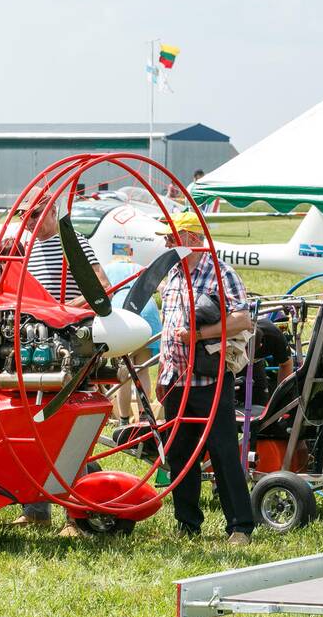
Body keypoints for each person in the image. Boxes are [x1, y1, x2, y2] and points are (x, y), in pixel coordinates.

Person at [157, 211, 255, 546]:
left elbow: (243, 319)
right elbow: (167, 331)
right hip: (176, 380)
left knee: (223, 450)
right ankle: (187, 524)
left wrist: (201, 334)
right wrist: (163, 376)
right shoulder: (171, 275)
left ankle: (240, 526)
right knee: (180, 455)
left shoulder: (219, 273)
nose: (167, 243)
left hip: (209, 380)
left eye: (172, 237)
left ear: (192, 240)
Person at [14, 192, 110, 532]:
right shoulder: (27, 248)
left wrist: (63, 310)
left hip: (69, 345)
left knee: (71, 429)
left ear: (53, 211)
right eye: (26, 215)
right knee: (34, 425)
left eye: (37, 213)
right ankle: (36, 508)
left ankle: (76, 513)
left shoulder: (74, 242)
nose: (31, 221)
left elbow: (101, 285)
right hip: (37, 347)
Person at [104, 256, 161, 426]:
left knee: (123, 374)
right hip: (147, 308)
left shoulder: (106, 268)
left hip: (123, 311)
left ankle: (123, 420)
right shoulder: (137, 266)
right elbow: (158, 286)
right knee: (142, 370)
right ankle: (144, 417)